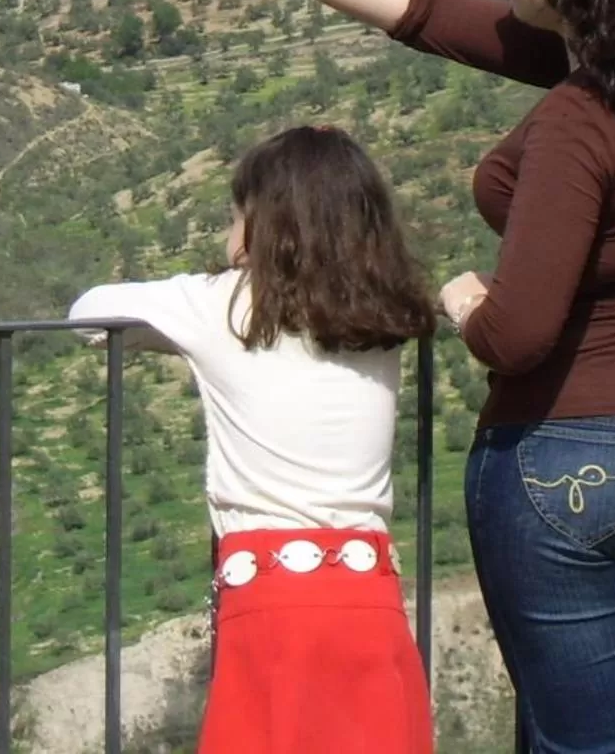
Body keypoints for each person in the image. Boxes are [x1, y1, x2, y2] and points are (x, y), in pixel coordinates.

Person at [117, 0, 615, 754]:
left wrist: (462, 298)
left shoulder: (578, 115)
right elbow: (430, 13)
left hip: (575, 460)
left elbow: (518, 333)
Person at [68, 125, 436, 754]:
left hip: (272, 601)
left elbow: (87, 316)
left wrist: (195, 311)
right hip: (370, 595)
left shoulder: (222, 306)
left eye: (234, 217)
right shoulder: (385, 315)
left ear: (262, 226)